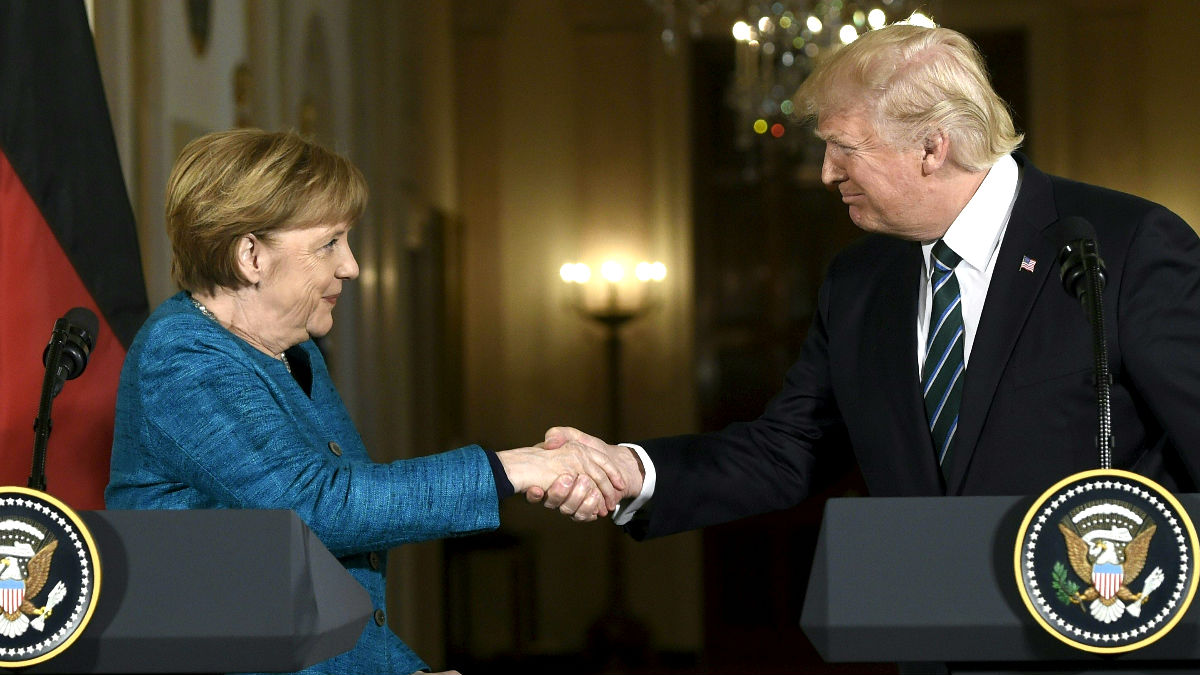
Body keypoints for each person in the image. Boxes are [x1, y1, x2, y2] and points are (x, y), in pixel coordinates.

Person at [532, 21, 1200, 540]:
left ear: (931, 148)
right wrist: (632, 472)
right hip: (936, 647)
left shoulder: (1127, 246)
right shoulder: (859, 280)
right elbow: (788, 448)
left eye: (844, 148)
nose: (826, 173)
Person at [105, 128, 625, 675]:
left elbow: (309, 586)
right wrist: (515, 468)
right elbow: (322, 509)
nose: (351, 265)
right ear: (250, 255)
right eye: (330, 242)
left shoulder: (294, 352)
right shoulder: (182, 357)